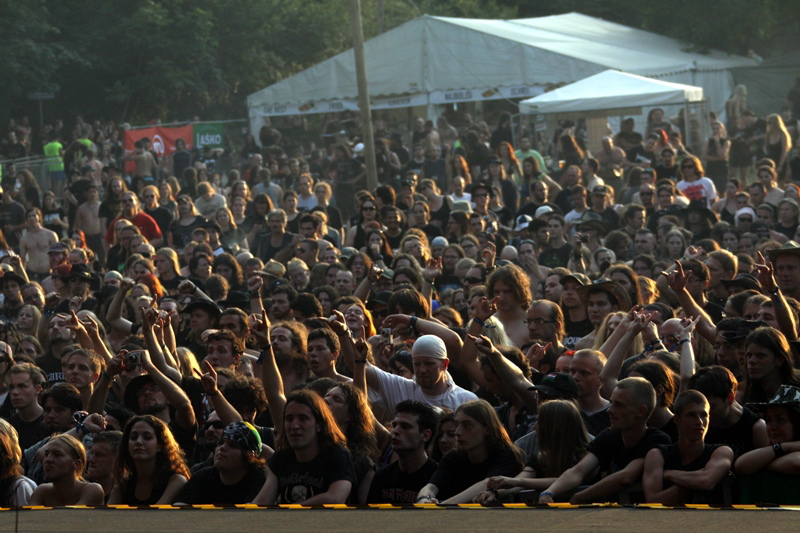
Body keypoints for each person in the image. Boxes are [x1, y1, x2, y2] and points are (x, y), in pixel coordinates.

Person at [539, 378, 670, 503]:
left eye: (619, 405)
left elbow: (625, 477)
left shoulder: (657, 439)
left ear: (641, 411)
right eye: (611, 402)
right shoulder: (609, 436)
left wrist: (579, 497)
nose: (610, 410)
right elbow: (578, 471)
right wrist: (549, 493)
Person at [473, 400, 591, 503]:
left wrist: (517, 481)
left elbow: (569, 479)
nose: (534, 427)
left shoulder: (588, 457)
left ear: (554, 428)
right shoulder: (541, 458)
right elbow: (517, 483)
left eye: (539, 422)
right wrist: (495, 493)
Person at [251, 390, 356, 505]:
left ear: (319, 425)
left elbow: (335, 498)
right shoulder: (281, 458)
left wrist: (289, 511)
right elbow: (263, 501)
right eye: (289, 419)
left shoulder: (337, 455)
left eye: (303, 418)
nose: (294, 426)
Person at [416, 400, 524, 504]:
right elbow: (431, 486)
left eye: (467, 426)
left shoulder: (507, 456)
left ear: (487, 429)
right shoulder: (453, 457)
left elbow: (487, 484)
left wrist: (443, 506)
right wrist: (424, 499)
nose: (458, 432)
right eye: (457, 425)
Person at [643, 390, 734, 505]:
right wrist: (694, 480)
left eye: (703, 415)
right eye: (691, 415)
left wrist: (670, 474)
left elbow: (706, 481)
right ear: (677, 420)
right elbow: (653, 501)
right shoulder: (657, 455)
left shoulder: (721, 452)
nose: (699, 421)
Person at [175, 421, 266, 505]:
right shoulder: (202, 477)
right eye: (220, 443)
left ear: (250, 456)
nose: (222, 448)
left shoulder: (259, 480)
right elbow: (179, 512)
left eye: (233, 445)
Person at [366, 400, 439, 504]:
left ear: (425, 435)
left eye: (405, 426)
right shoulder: (382, 476)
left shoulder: (438, 477)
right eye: (395, 425)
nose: (395, 431)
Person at [107, 415, 190, 505]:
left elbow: (155, 515)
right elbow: (108, 517)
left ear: (160, 445)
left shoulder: (176, 480)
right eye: (133, 437)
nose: (138, 442)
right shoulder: (123, 486)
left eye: (147, 437)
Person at [28, 434, 104, 506]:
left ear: (76, 464)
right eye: (46, 454)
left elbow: (70, 518)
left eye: (57, 454)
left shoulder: (92, 490)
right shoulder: (42, 491)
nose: (48, 459)